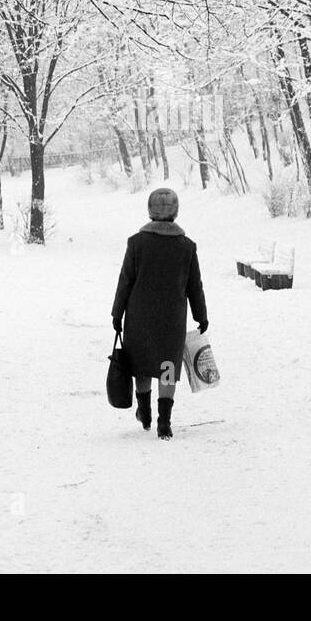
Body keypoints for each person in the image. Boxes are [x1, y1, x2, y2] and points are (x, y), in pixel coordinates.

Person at [111, 187, 208, 439]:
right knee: (166, 366)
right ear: (175, 211)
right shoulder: (186, 246)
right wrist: (201, 315)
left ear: (150, 210)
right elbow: (194, 285)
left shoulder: (136, 243)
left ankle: (145, 413)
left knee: (142, 366)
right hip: (171, 320)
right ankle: (164, 422)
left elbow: (125, 281)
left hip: (139, 317)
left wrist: (116, 314)